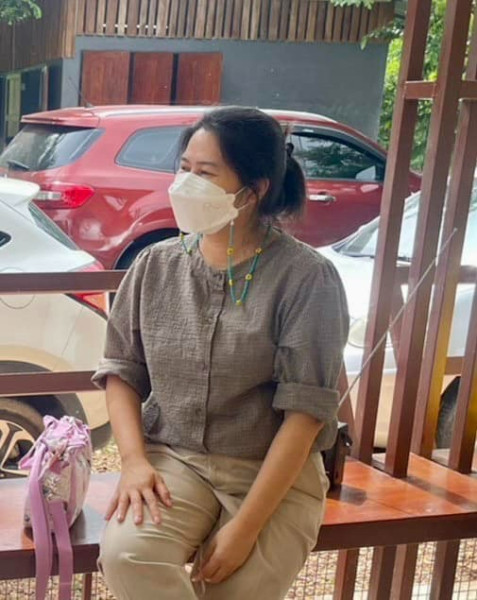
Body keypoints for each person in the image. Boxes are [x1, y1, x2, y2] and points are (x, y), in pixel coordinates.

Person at [92, 106, 349, 600]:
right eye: (184, 167)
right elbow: (122, 371)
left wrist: (245, 528)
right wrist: (134, 462)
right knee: (128, 556)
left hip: (272, 473)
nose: (186, 184)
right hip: (176, 462)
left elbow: (305, 416)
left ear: (254, 191)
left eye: (206, 173)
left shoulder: (307, 278)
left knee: (235, 590)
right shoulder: (154, 266)